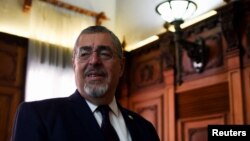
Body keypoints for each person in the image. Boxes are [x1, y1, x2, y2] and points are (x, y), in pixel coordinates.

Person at [11, 25, 160, 141]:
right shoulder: (37, 116)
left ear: (121, 66)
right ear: (74, 65)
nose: (94, 61)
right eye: (84, 54)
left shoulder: (145, 129)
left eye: (104, 53)